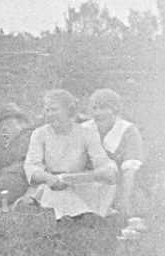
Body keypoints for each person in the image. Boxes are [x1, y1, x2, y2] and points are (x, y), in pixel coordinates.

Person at [23, 89, 118, 221]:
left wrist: (92, 174)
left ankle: (80, 216)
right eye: (47, 110)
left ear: (69, 111)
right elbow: (32, 166)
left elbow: (103, 163)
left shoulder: (86, 132)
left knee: (101, 188)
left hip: (78, 184)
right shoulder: (39, 134)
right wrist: (48, 178)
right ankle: (75, 217)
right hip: (51, 184)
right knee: (53, 194)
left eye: (54, 109)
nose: (50, 114)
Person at [82, 89, 145, 218]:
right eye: (94, 108)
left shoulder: (128, 131)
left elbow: (130, 169)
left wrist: (124, 199)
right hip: (87, 187)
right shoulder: (84, 129)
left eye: (104, 108)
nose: (98, 113)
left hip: (119, 187)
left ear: (115, 109)